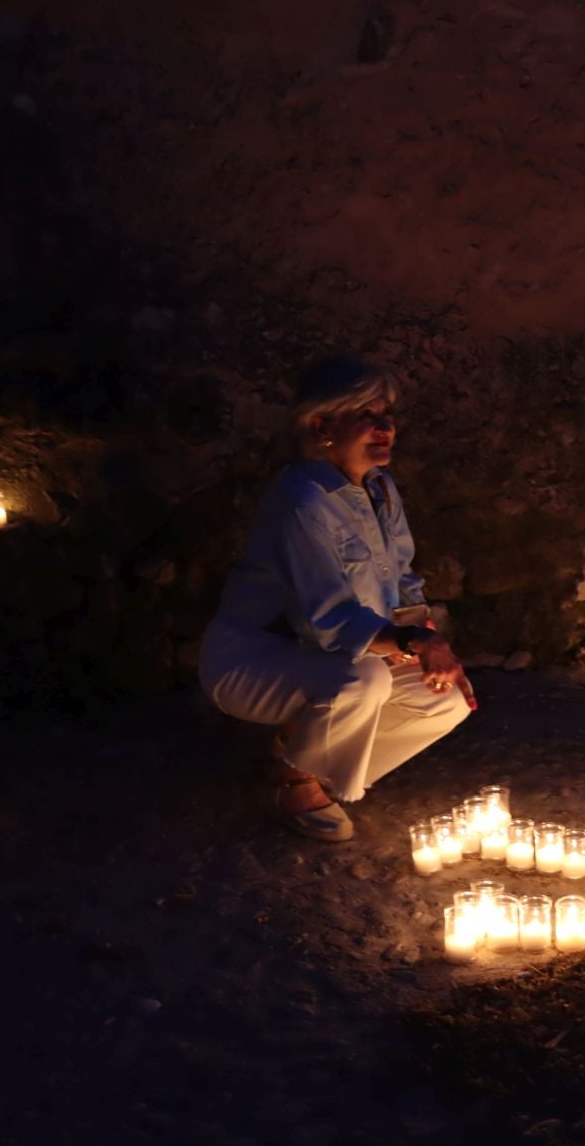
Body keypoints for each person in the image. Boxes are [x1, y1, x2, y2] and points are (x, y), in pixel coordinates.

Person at [198, 358, 474, 841]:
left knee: (444, 702)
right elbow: (331, 623)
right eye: (366, 415)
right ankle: (294, 780)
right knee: (361, 679)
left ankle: (306, 755)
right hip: (253, 659)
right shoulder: (301, 501)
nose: (385, 427)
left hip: (334, 654)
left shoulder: (381, 489)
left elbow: (403, 582)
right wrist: (412, 645)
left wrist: (429, 646)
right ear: (322, 424)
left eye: (387, 414)